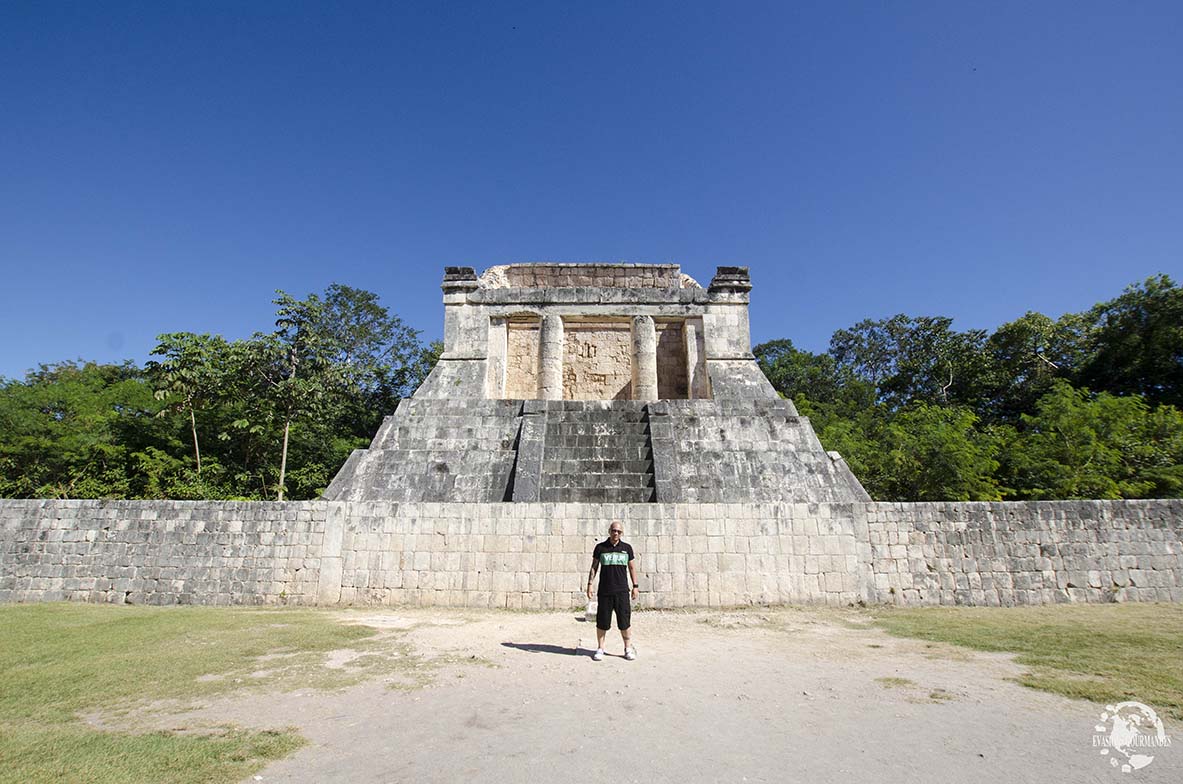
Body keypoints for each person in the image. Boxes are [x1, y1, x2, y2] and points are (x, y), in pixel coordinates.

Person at [586, 521, 638, 661]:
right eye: (614, 530)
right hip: (605, 591)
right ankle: (600, 648)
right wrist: (590, 584)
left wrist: (635, 586)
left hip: (621, 591)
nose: (616, 533)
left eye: (619, 531)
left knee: (624, 621)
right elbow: (594, 567)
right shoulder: (600, 548)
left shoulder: (627, 548)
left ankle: (627, 648)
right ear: (609, 531)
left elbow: (632, 567)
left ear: (622, 533)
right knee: (602, 621)